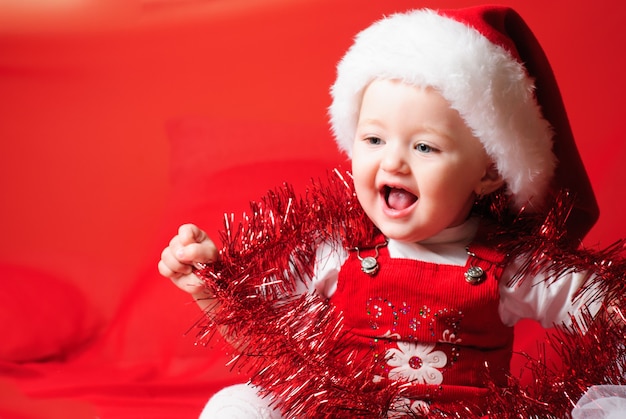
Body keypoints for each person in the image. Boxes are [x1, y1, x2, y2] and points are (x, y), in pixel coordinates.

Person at [158, 5, 624, 418]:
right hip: (337, 410)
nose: (393, 162)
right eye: (374, 139)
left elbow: (604, 307)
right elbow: (260, 331)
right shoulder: (337, 250)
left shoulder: (506, 265)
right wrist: (209, 285)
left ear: (488, 174)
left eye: (424, 146)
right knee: (240, 403)